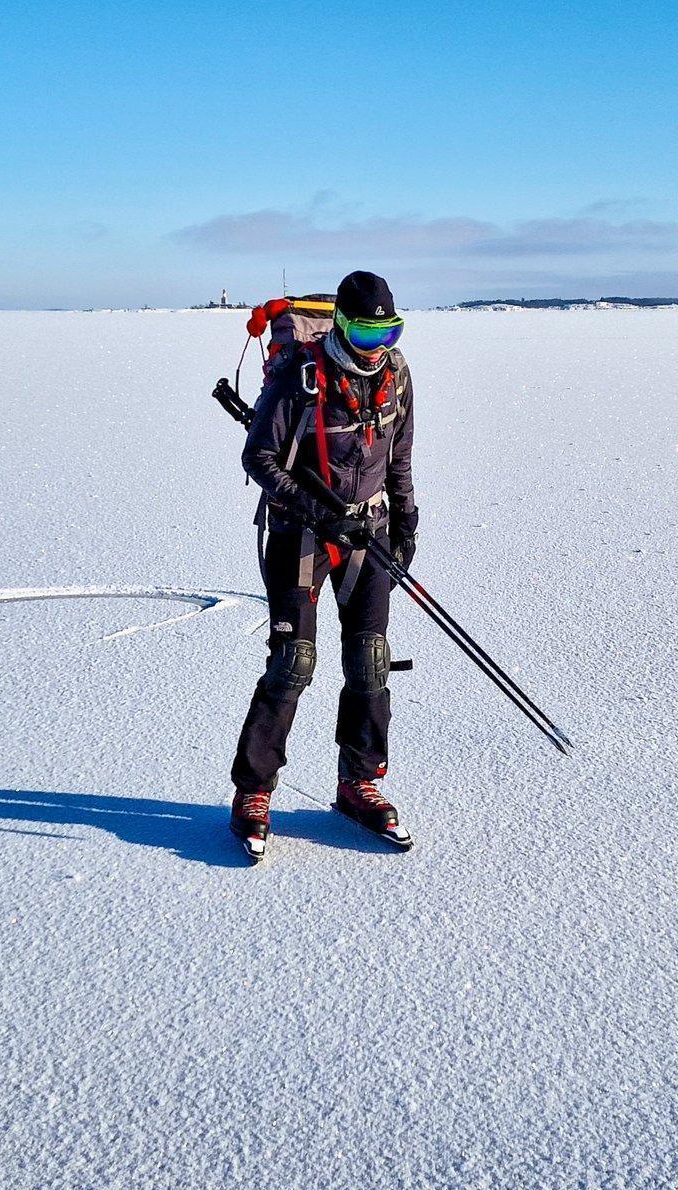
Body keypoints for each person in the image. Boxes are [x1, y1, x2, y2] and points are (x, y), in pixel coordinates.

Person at [228, 271, 417, 857]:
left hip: (370, 531)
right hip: (300, 534)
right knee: (293, 662)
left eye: (388, 333)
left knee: (370, 659)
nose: (377, 347)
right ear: (340, 325)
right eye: (365, 333)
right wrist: (321, 513)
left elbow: (400, 456)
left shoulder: (397, 374)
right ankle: (253, 793)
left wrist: (406, 523)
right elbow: (259, 457)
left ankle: (359, 782)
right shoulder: (301, 375)